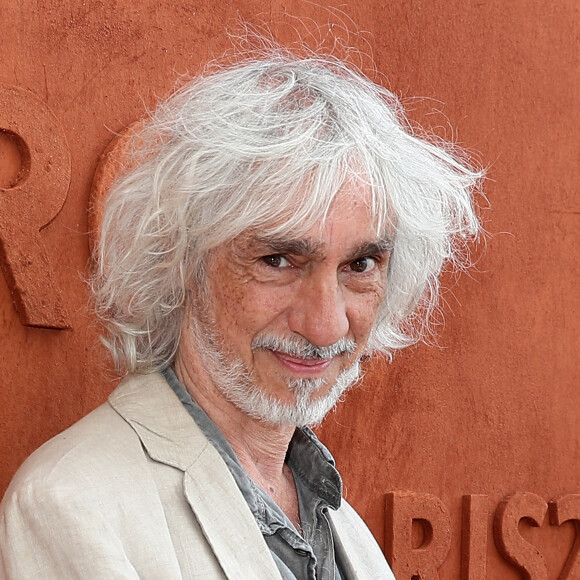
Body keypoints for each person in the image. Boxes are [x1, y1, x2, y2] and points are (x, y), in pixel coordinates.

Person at [0, 47, 482, 579]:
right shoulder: (72, 505)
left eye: (360, 264)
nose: (326, 324)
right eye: (277, 260)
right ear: (181, 261)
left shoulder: (334, 518)